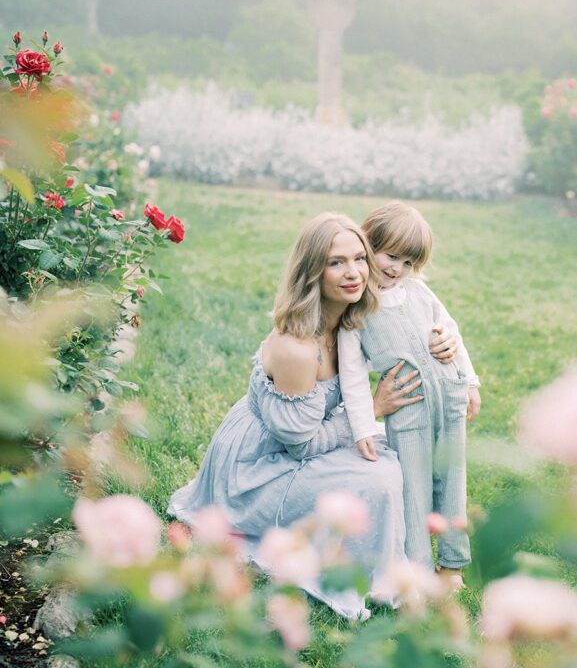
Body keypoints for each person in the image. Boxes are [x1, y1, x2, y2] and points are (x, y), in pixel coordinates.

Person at [168, 212, 411, 620]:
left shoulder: (351, 318)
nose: (353, 273)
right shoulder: (299, 347)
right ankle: (360, 577)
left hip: (302, 440)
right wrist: (371, 410)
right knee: (379, 479)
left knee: (391, 457)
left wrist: (446, 341)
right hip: (261, 465)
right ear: (312, 271)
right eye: (336, 262)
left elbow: (418, 318)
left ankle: (388, 569)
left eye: (359, 259)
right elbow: (300, 446)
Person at [338, 202, 480, 587]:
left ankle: (452, 566)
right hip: (408, 409)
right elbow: (352, 377)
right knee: (413, 489)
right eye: (390, 255)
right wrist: (364, 426)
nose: (396, 268)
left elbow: (451, 330)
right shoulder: (356, 312)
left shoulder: (418, 291)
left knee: (453, 479)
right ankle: (416, 571)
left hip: (448, 399)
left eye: (407, 261)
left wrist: (469, 382)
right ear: (369, 243)